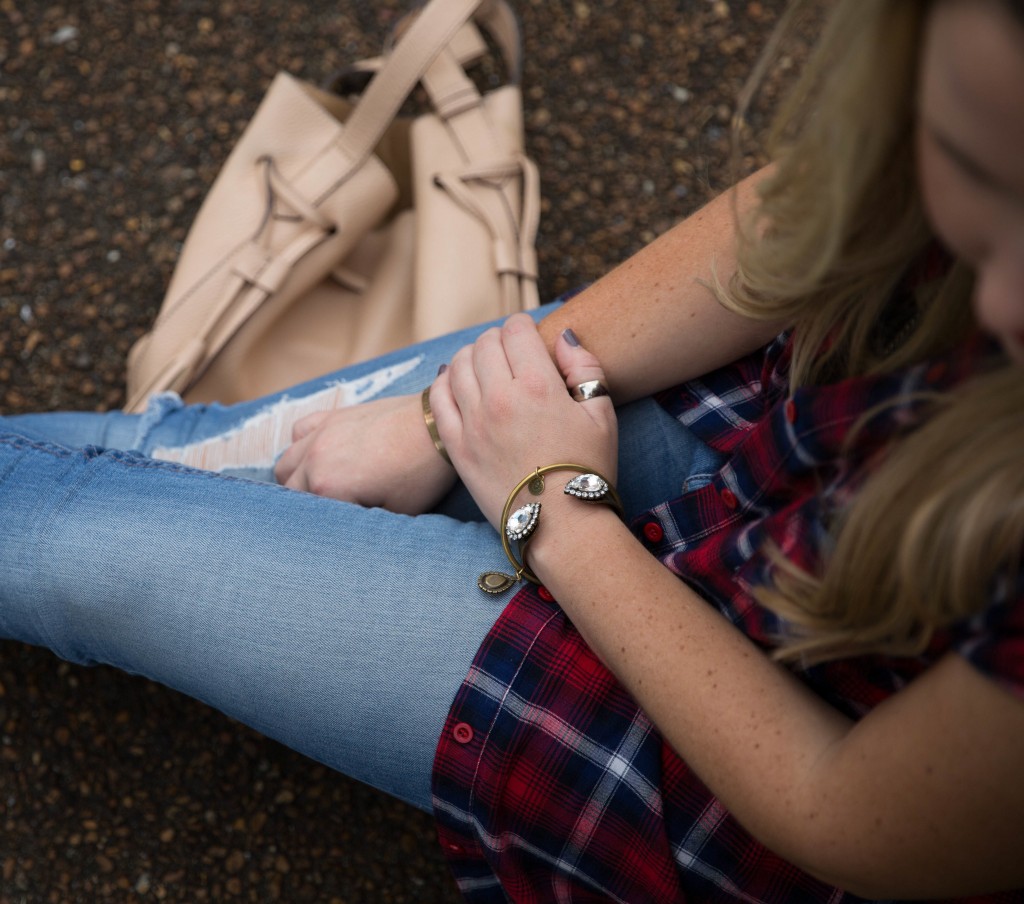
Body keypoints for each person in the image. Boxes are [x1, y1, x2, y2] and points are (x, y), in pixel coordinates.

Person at [2, 0, 1023, 900]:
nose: (1001, 301)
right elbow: (807, 213)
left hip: (733, 753)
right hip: (783, 399)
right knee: (185, 466)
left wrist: (557, 511)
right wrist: (437, 420)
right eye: (979, 174)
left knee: (102, 558)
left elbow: (842, 812)